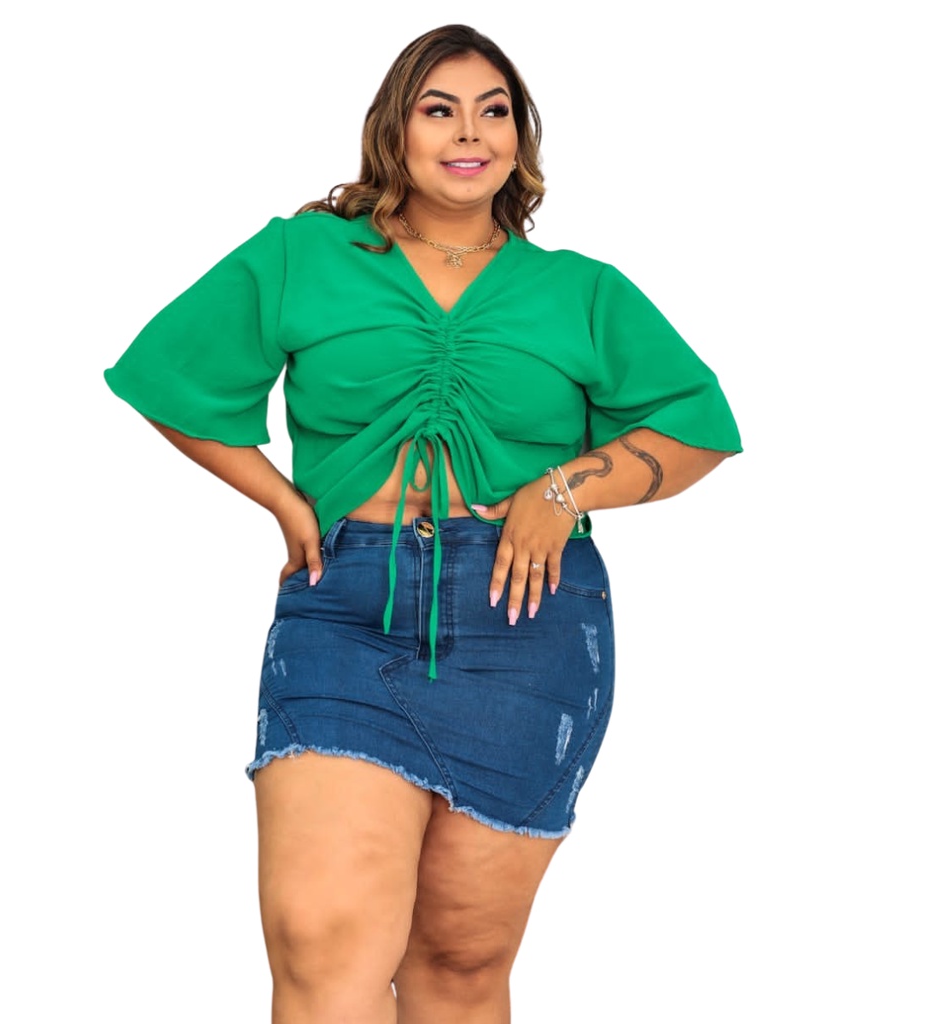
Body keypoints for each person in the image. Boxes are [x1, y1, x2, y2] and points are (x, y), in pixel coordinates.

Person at [104, 22, 741, 1024]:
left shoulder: (581, 289)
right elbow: (169, 373)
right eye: (439, 110)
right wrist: (283, 499)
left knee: (460, 961)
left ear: (520, 138)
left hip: (526, 621)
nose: (469, 132)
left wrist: (564, 489)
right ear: (394, 129)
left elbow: (698, 427)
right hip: (344, 612)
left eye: (494, 111)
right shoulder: (303, 254)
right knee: (321, 944)